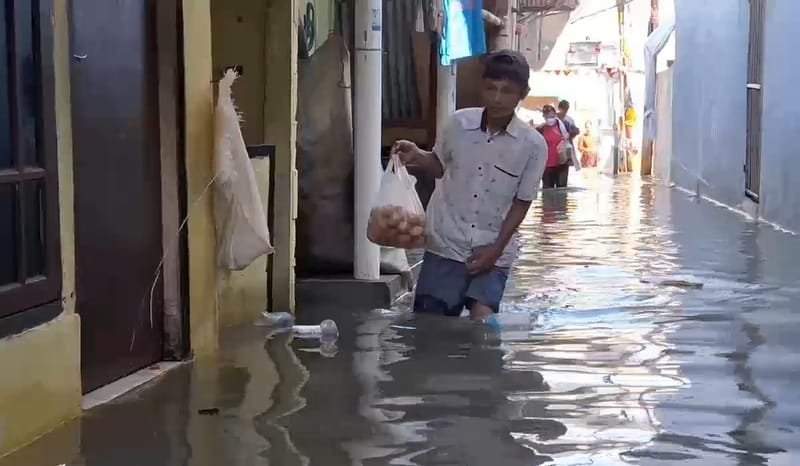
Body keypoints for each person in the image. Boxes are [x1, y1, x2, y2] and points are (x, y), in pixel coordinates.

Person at [392, 50, 547, 323]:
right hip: (446, 243)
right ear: (481, 85)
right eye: (491, 88)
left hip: (494, 249)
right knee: (431, 329)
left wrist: (495, 251)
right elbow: (439, 166)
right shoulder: (457, 124)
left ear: (523, 93)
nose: (497, 98)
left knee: (482, 325)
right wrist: (417, 155)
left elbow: (522, 202)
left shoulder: (533, 145)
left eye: (507, 91)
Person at [537, 104, 570, 188]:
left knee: (562, 192)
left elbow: (573, 134)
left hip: (562, 164)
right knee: (548, 191)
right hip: (547, 166)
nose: (549, 117)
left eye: (551, 115)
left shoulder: (562, 125)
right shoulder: (540, 129)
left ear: (555, 115)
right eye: (547, 115)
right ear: (543, 116)